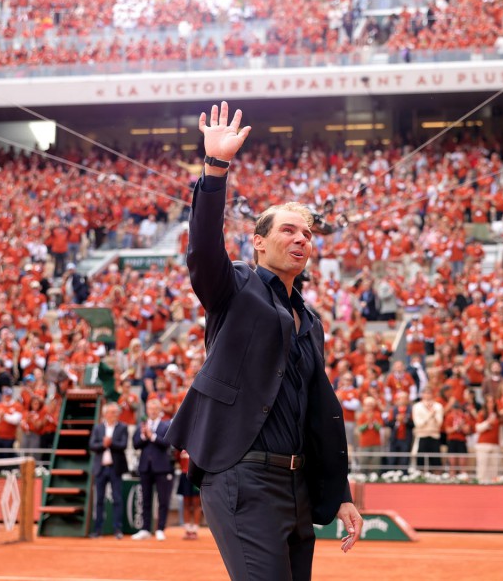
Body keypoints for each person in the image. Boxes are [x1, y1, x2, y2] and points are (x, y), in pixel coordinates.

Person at [164, 102, 361, 580]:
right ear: (258, 241)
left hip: (295, 486)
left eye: (308, 234)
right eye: (289, 230)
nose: (301, 240)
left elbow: (318, 410)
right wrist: (215, 169)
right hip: (241, 474)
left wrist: (340, 496)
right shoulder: (234, 287)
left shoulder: (308, 318)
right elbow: (203, 249)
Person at [132, 397, 175, 541]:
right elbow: (136, 444)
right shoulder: (142, 425)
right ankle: (145, 529)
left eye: (156, 409)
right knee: (145, 499)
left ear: (160, 411)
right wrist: (144, 436)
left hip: (162, 468)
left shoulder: (166, 425)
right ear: (147, 410)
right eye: (150, 409)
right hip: (145, 467)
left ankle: (160, 529)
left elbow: (167, 443)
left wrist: (152, 436)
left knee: (163, 500)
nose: (153, 411)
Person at [89, 402, 128, 539]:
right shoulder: (98, 428)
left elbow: (123, 445)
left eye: (116, 412)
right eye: (111, 412)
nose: (114, 415)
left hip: (115, 468)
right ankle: (98, 529)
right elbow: (92, 445)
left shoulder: (123, 427)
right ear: (105, 414)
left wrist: (110, 443)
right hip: (100, 468)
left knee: (117, 498)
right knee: (99, 500)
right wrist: (102, 444)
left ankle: (117, 529)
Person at [412, 386, 445, 473]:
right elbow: (418, 424)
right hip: (422, 435)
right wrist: (430, 414)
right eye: (425, 393)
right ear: (422, 394)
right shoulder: (417, 406)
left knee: (436, 462)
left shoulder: (438, 406)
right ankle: (420, 480)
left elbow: (439, 423)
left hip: (434, 435)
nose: (427, 395)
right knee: (421, 462)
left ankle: (437, 481)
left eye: (429, 393)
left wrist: (432, 414)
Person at [177, 449, 203, 540]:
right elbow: (177, 458)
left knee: (196, 503)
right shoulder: (181, 446)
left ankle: (195, 530)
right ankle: (188, 530)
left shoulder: (199, 444)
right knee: (186, 503)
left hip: (196, 475)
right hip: (184, 475)